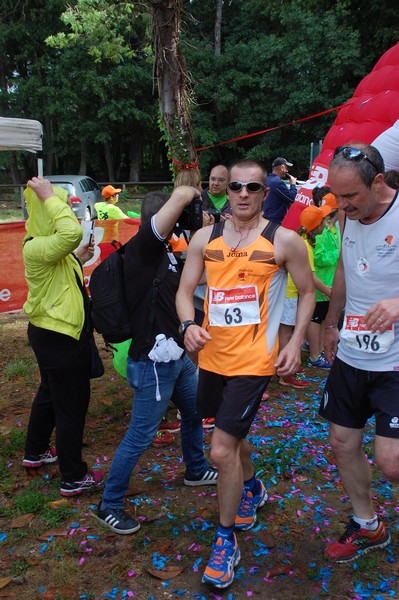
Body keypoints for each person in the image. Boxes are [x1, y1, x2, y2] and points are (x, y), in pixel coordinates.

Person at [176, 159, 315, 589]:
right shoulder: (205, 237)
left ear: (264, 192)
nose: (241, 194)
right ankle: (251, 486)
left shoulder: (285, 241)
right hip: (212, 358)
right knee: (230, 436)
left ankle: (225, 539)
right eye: (235, 186)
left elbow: (308, 291)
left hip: (255, 362)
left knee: (220, 451)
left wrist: (294, 343)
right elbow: (185, 293)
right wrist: (187, 326)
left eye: (252, 188)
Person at [95, 187, 218, 535]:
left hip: (175, 357)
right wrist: (188, 191)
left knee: (195, 410)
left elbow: (194, 276)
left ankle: (195, 469)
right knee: (140, 434)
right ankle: (109, 503)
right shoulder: (143, 249)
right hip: (153, 361)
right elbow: (173, 206)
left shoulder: (164, 251)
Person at [319, 143, 398, 563]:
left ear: (379, 182)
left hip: (396, 361)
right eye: (336, 195)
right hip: (353, 351)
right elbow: (345, 269)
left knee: (392, 461)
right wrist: (331, 323)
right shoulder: (348, 217)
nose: (342, 204)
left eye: (350, 195)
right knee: (342, 439)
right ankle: (368, 525)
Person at [21, 176, 104, 496]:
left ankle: (36, 451)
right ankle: (73, 476)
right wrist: (47, 195)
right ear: (45, 210)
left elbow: (64, 253)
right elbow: (69, 233)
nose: (63, 211)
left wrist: (79, 257)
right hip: (60, 338)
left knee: (49, 394)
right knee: (71, 406)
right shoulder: (37, 245)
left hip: (50, 333)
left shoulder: (43, 243)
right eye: (55, 206)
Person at [297, 204, 333, 369]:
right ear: (317, 226)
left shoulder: (306, 242)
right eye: (322, 221)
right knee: (291, 330)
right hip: (294, 294)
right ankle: (294, 365)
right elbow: (310, 276)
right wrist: (329, 291)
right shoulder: (305, 246)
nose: (325, 224)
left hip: (300, 293)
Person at [263, 157, 297, 224]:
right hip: (274, 220)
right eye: (286, 168)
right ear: (282, 167)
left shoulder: (267, 180)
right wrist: (293, 184)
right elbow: (292, 198)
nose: (287, 171)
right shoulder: (277, 182)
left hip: (266, 218)